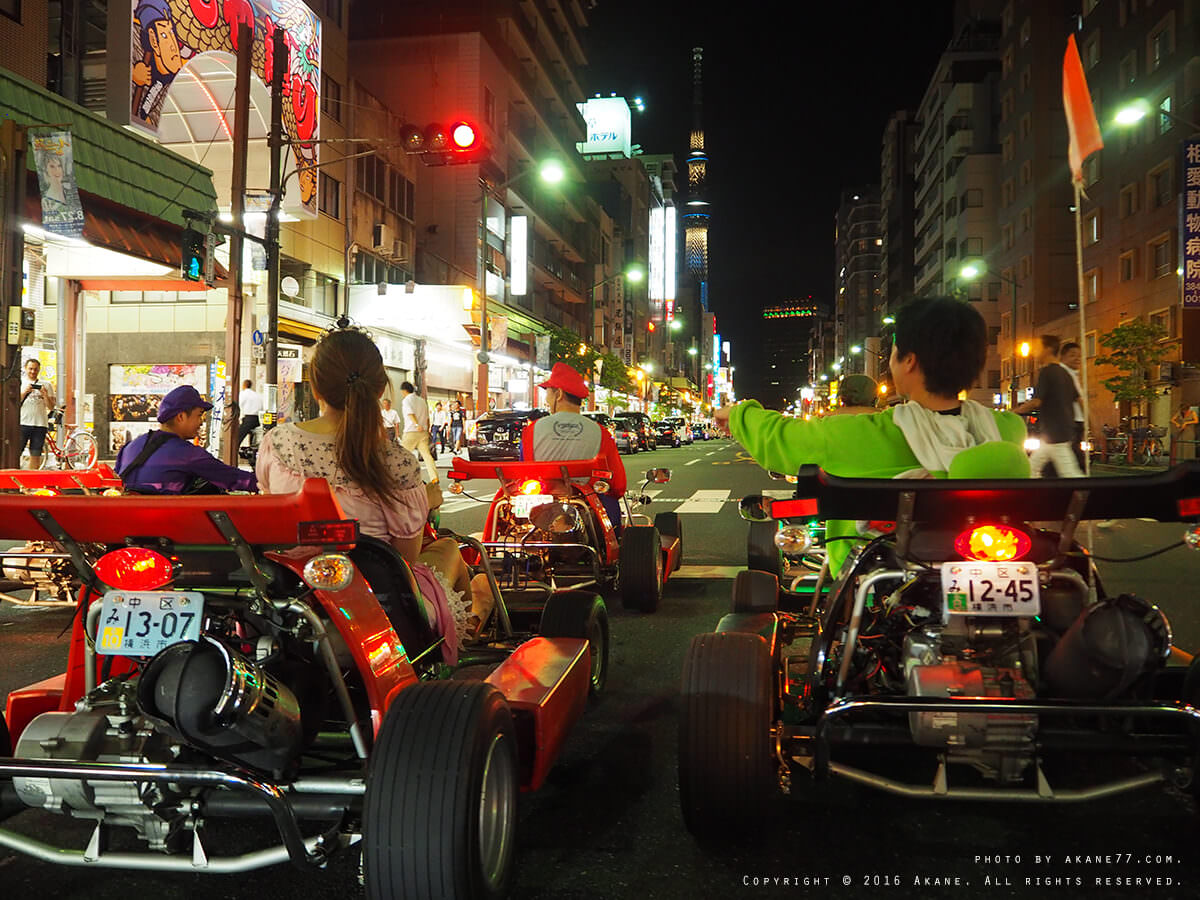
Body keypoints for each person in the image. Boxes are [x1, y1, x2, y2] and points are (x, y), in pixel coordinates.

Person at [715, 296, 1029, 575]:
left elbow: (780, 439)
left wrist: (739, 413)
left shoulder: (863, 433)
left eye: (894, 352)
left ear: (909, 361)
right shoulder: (1007, 430)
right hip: (994, 557)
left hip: (881, 574)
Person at [255, 329, 491, 662]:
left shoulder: (277, 444)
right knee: (450, 549)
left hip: (294, 598)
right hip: (381, 608)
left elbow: (270, 514)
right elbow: (405, 559)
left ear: (316, 387)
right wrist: (425, 504)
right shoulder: (397, 462)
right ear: (380, 389)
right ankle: (463, 635)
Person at [521, 362, 627, 536]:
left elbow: (524, 473)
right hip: (588, 511)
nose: (546, 400)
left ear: (559, 394)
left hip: (542, 512)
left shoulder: (532, 431)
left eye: (548, 392)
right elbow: (618, 485)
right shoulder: (601, 433)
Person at [116, 385, 256, 493]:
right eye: (199, 415)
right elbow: (234, 478)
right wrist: (265, 481)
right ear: (181, 417)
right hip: (167, 519)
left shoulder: (129, 447)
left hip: (127, 519)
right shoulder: (187, 454)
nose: (201, 422)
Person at [1016, 335, 1083, 478]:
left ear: (1048, 349)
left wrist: (1015, 411)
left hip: (1055, 434)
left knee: (1069, 473)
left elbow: (1036, 402)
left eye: (1038, 347)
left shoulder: (1047, 372)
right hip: (1059, 432)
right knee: (1032, 468)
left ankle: (1088, 490)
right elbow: (1078, 400)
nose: (1035, 352)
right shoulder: (1065, 373)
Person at [19, 358, 56, 470]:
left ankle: (31, 479)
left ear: (39, 370)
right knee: (17, 452)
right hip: (23, 423)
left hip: (40, 424)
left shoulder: (46, 385)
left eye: (35, 369)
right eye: (30, 369)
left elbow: (51, 407)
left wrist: (45, 395)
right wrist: (24, 392)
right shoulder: (20, 383)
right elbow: (14, 403)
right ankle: (17, 478)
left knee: (36, 454)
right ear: (25, 368)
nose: (33, 371)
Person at [399, 381, 438, 483]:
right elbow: (427, 417)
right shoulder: (422, 400)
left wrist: (417, 425)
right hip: (423, 432)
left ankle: (401, 477)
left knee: (402, 455)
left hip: (411, 431)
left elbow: (410, 413)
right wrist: (427, 429)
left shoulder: (406, 400)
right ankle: (434, 477)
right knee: (427, 455)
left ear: (404, 391)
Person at [1059, 342, 1087, 472]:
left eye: (1079, 356)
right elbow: (1079, 400)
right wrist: (1092, 422)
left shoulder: (1073, 374)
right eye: (1072, 355)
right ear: (1062, 357)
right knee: (1074, 458)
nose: (1077, 358)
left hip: (1075, 422)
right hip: (1070, 423)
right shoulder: (1065, 374)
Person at [238, 379, 262, 450]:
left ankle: (234, 450)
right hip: (256, 419)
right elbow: (261, 406)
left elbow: (239, 404)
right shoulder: (256, 394)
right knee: (253, 437)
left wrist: (239, 417)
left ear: (244, 385)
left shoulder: (243, 394)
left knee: (238, 436)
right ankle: (252, 450)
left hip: (248, 418)